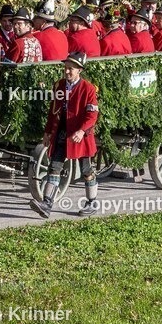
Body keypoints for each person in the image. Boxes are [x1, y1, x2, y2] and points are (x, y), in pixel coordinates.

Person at [30, 52, 100, 218]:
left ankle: (92, 202)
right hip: (62, 132)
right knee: (54, 167)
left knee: (86, 170)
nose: (67, 72)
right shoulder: (59, 85)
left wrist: (82, 130)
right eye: (66, 68)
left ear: (79, 70)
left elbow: (92, 115)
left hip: (80, 135)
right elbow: (52, 112)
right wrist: (47, 132)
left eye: (71, 69)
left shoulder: (88, 89)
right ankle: (46, 204)